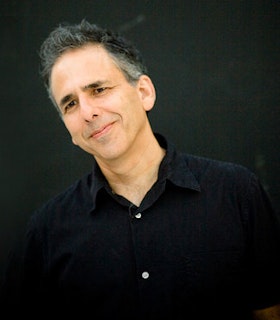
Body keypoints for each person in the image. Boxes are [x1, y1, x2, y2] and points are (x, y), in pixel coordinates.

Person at [1, 19, 280, 320]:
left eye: (98, 89)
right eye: (69, 104)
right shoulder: (46, 233)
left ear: (144, 92)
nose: (87, 112)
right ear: (68, 129)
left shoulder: (236, 192)